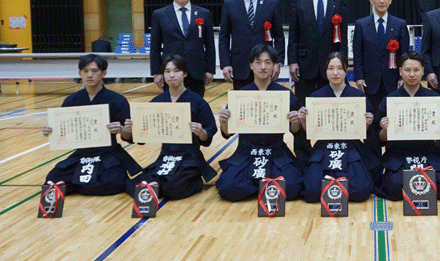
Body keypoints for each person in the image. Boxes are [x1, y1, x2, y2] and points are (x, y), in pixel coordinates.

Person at [41, 54, 141, 195]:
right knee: (53, 178)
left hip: (108, 152)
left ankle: (78, 186)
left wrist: (122, 129)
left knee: (113, 182)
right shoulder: (71, 100)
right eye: (85, 71)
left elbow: (130, 136)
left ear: (104, 73)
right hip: (82, 153)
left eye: (94, 71)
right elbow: (62, 133)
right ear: (79, 74)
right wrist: (51, 132)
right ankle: (82, 185)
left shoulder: (117, 100)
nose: (89, 75)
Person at [215, 44, 304, 202]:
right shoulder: (241, 95)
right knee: (228, 187)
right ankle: (263, 185)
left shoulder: (284, 94)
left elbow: (296, 131)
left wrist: (296, 122)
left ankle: (255, 186)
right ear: (251, 65)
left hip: (275, 150)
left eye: (268, 62)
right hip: (247, 151)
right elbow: (227, 133)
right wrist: (223, 122)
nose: (263, 67)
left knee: (292, 186)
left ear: (274, 66)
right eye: (258, 62)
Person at [124, 55, 217, 200]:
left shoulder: (197, 101)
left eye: (176, 71)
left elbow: (209, 133)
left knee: (173, 187)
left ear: (185, 73)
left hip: (189, 157)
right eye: (167, 71)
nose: (171, 75)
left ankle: (195, 181)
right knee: (135, 184)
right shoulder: (157, 102)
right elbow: (140, 139)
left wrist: (201, 132)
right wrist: (132, 129)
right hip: (166, 156)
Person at [298, 52, 381, 203]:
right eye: (331, 68)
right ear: (326, 71)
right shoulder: (316, 97)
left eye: (340, 68)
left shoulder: (358, 96)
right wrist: (304, 122)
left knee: (360, 191)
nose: (335, 73)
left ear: (346, 70)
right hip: (324, 148)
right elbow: (308, 132)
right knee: (312, 190)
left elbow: (369, 134)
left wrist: (367, 125)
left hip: (351, 148)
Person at [375, 51, 440, 201]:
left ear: (423, 71)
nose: (412, 74)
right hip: (399, 153)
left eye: (416, 70)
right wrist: (385, 131)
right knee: (395, 186)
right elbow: (379, 139)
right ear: (400, 71)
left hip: (428, 152)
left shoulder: (434, 98)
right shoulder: (390, 100)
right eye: (407, 70)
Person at [288, 0, 347, 158]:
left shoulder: (339, 0)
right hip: (304, 64)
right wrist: (292, 61)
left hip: (332, 68)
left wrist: (343, 65)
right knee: (303, 111)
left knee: (330, 110)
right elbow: (293, 34)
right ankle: (303, 156)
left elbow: (343, 37)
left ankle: (328, 152)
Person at [353, 0, 409, 157]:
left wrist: (402, 77)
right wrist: (359, 76)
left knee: (393, 120)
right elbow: (357, 53)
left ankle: (394, 157)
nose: (381, 0)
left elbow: (404, 55)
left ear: (391, 0)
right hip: (370, 82)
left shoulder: (400, 24)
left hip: (393, 81)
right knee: (372, 121)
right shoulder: (361, 24)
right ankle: (372, 160)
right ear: (371, 0)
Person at [219, 0, 285, 90]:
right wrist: (225, 64)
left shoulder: (272, 3)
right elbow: (224, 37)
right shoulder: (229, 4)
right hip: (239, 64)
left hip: (265, 65)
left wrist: (278, 62)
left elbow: (279, 36)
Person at [150, 0, 216, 98]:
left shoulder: (203, 13)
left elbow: (210, 45)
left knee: (196, 106)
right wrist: (156, 72)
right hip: (171, 72)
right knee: (173, 106)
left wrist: (210, 70)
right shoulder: (160, 15)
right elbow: (155, 47)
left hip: (197, 72)